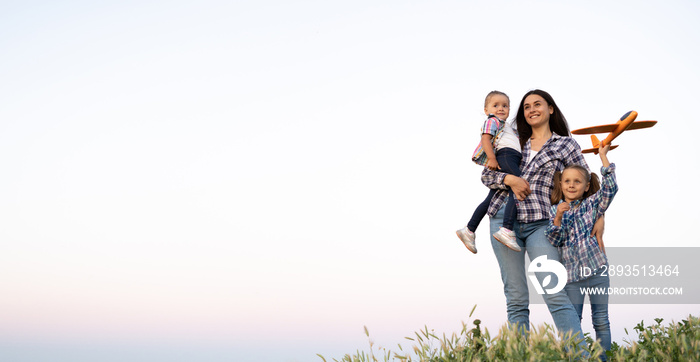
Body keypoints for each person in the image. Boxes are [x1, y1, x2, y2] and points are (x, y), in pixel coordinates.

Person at [480, 89, 605, 349]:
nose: (531, 109)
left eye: (538, 104)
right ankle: (519, 355)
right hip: (503, 220)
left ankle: (581, 355)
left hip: (541, 224)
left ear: (550, 109)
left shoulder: (565, 144)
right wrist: (511, 179)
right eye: (526, 107)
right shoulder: (511, 139)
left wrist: (599, 216)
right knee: (516, 298)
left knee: (554, 292)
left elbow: (586, 181)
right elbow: (487, 176)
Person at [545, 143, 617, 359]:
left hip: (597, 272)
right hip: (572, 277)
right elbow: (554, 239)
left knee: (601, 320)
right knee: (573, 320)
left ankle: (603, 358)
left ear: (586, 186)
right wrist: (558, 217)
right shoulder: (554, 209)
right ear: (561, 184)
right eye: (567, 181)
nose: (571, 185)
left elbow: (610, 188)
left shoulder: (592, 204)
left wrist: (603, 157)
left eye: (577, 181)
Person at [456, 91, 522, 253]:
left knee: (491, 198)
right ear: (486, 110)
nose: (501, 108)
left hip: (512, 157)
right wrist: (492, 158)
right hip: (505, 155)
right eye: (496, 105)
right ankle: (506, 229)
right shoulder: (492, 121)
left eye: (505, 105)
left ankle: (469, 229)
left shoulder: (508, 127)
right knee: (518, 186)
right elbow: (486, 139)